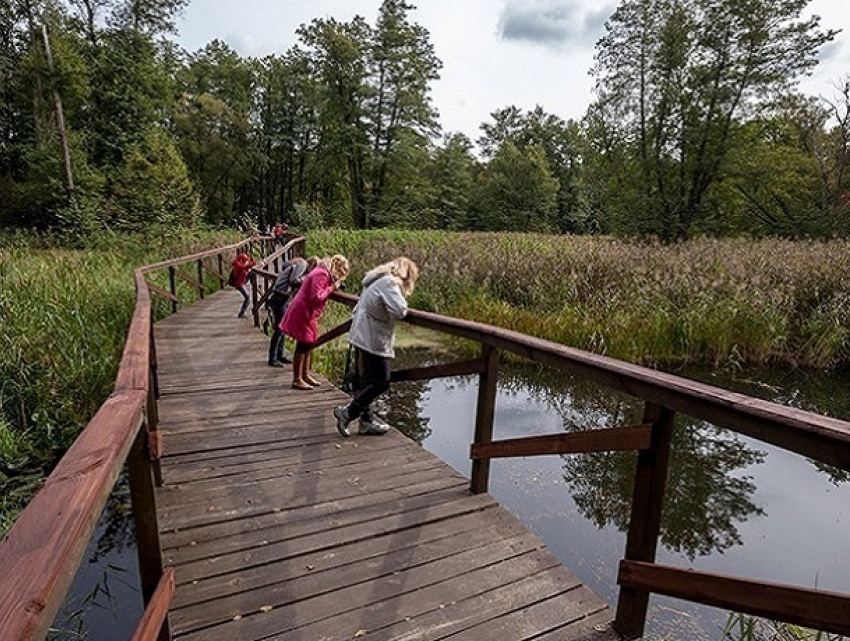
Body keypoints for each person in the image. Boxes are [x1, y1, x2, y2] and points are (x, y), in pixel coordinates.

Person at [333, 257, 419, 437]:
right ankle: (348, 412)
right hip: (371, 337)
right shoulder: (389, 282)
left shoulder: (375, 280)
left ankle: (366, 422)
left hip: (362, 333)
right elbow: (400, 310)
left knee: (368, 380)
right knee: (382, 381)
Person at [281, 254, 350, 390]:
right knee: (303, 344)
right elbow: (316, 297)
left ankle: (305, 374)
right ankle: (297, 379)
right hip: (303, 311)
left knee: (309, 343)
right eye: (340, 274)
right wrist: (332, 288)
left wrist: (331, 285)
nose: (339, 277)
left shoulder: (322, 272)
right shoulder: (321, 274)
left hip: (308, 313)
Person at [267, 255, 318, 367]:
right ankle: (273, 357)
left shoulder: (300, 265)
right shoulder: (302, 264)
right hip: (279, 297)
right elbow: (293, 280)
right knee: (279, 329)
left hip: (281, 297)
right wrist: (306, 281)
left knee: (282, 328)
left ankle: (280, 355)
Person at [229, 252, 256, 318]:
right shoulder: (238, 265)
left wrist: (253, 263)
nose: (246, 261)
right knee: (247, 298)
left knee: (252, 273)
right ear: (241, 260)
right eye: (245, 260)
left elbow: (247, 266)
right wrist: (253, 263)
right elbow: (244, 267)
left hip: (242, 281)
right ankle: (241, 313)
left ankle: (255, 286)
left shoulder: (240, 264)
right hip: (239, 284)